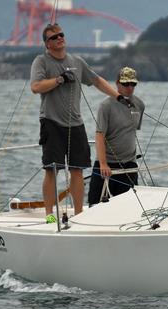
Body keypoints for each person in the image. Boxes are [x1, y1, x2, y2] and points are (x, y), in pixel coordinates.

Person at [30, 23, 119, 219]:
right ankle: (49, 214)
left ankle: (79, 214)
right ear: (47, 44)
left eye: (61, 34)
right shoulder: (41, 61)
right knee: (52, 169)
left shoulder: (77, 61)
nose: (59, 38)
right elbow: (36, 87)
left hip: (75, 123)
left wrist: (118, 97)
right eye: (54, 37)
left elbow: (96, 80)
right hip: (51, 122)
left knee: (77, 170)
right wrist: (59, 79)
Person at [88, 67, 146, 207]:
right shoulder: (106, 106)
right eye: (126, 84)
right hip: (107, 165)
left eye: (133, 84)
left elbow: (132, 131)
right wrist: (103, 163)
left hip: (129, 165)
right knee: (94, 205)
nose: (130, 87)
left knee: (129, 207)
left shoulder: (139, 105)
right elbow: (100, 135)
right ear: (117, 83)